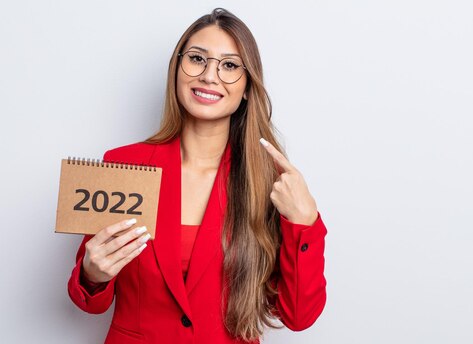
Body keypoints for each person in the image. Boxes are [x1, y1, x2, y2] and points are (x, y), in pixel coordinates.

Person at [67, 8, 327, 344]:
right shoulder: (122, 165)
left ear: (248, 87)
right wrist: (92, 275)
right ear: (177, 69)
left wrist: (303, 221)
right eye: (196, 59)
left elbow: (299, 316)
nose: (209, 76)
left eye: (230, 66)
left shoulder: (269, 183)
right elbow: (89, 300)